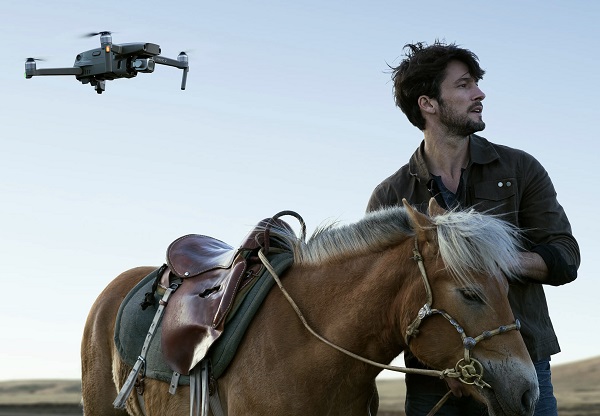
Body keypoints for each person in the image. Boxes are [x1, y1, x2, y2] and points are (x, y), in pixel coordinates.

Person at [366, 41, 580, 416]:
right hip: (434, 384)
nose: (479, 93)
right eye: (463, 85)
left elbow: (565, 258)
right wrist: (444, 361)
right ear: (427, 103)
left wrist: (492, 259)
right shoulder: (391, 194)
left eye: (476, 83)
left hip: (522, 363)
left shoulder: (520, 169)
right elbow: (379, 303)